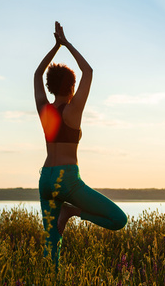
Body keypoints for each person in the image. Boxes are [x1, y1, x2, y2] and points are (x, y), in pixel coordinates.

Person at [35, 22, 127, 269]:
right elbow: (88, 71)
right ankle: (72, 212)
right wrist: (66, 43)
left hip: (46, 179)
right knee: (119, 219)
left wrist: (55, 47)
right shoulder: (72, 111)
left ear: (50, 86)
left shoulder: (45, 110)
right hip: (67, 179)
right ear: (72, 87)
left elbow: (36, 74)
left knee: (51, 247)